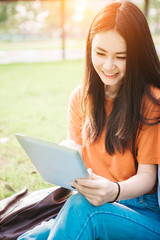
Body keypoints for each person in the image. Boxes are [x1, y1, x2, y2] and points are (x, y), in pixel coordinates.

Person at [18, 1, 160, 239]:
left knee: (82, 210)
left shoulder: (152, 102)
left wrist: (112, 192)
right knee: (28, 237)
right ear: (89, 48)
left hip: (142, 212)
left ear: (136, 56)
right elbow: (77, 155)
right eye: (100, 53)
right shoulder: (80, 98)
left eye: (121, 57)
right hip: (93, 202)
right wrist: (66, 153)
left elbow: (147, 178)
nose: (108, 65)